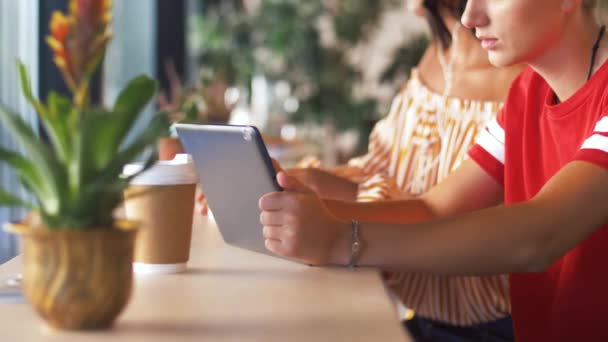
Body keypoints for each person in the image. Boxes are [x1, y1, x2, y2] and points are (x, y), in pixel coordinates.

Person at [258, 0, 608, 340]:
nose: (471, 16)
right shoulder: (528, 93)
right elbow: (433, 208)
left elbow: (538, 237)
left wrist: (339, 239)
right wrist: (293, 213)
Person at [198, 0, 521, 339]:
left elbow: (439, 214)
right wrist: (305, 185)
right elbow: (395, 173)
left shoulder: (520, 79)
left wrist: (321, 214)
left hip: (492, 328)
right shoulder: (437, 55)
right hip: (423, 322)